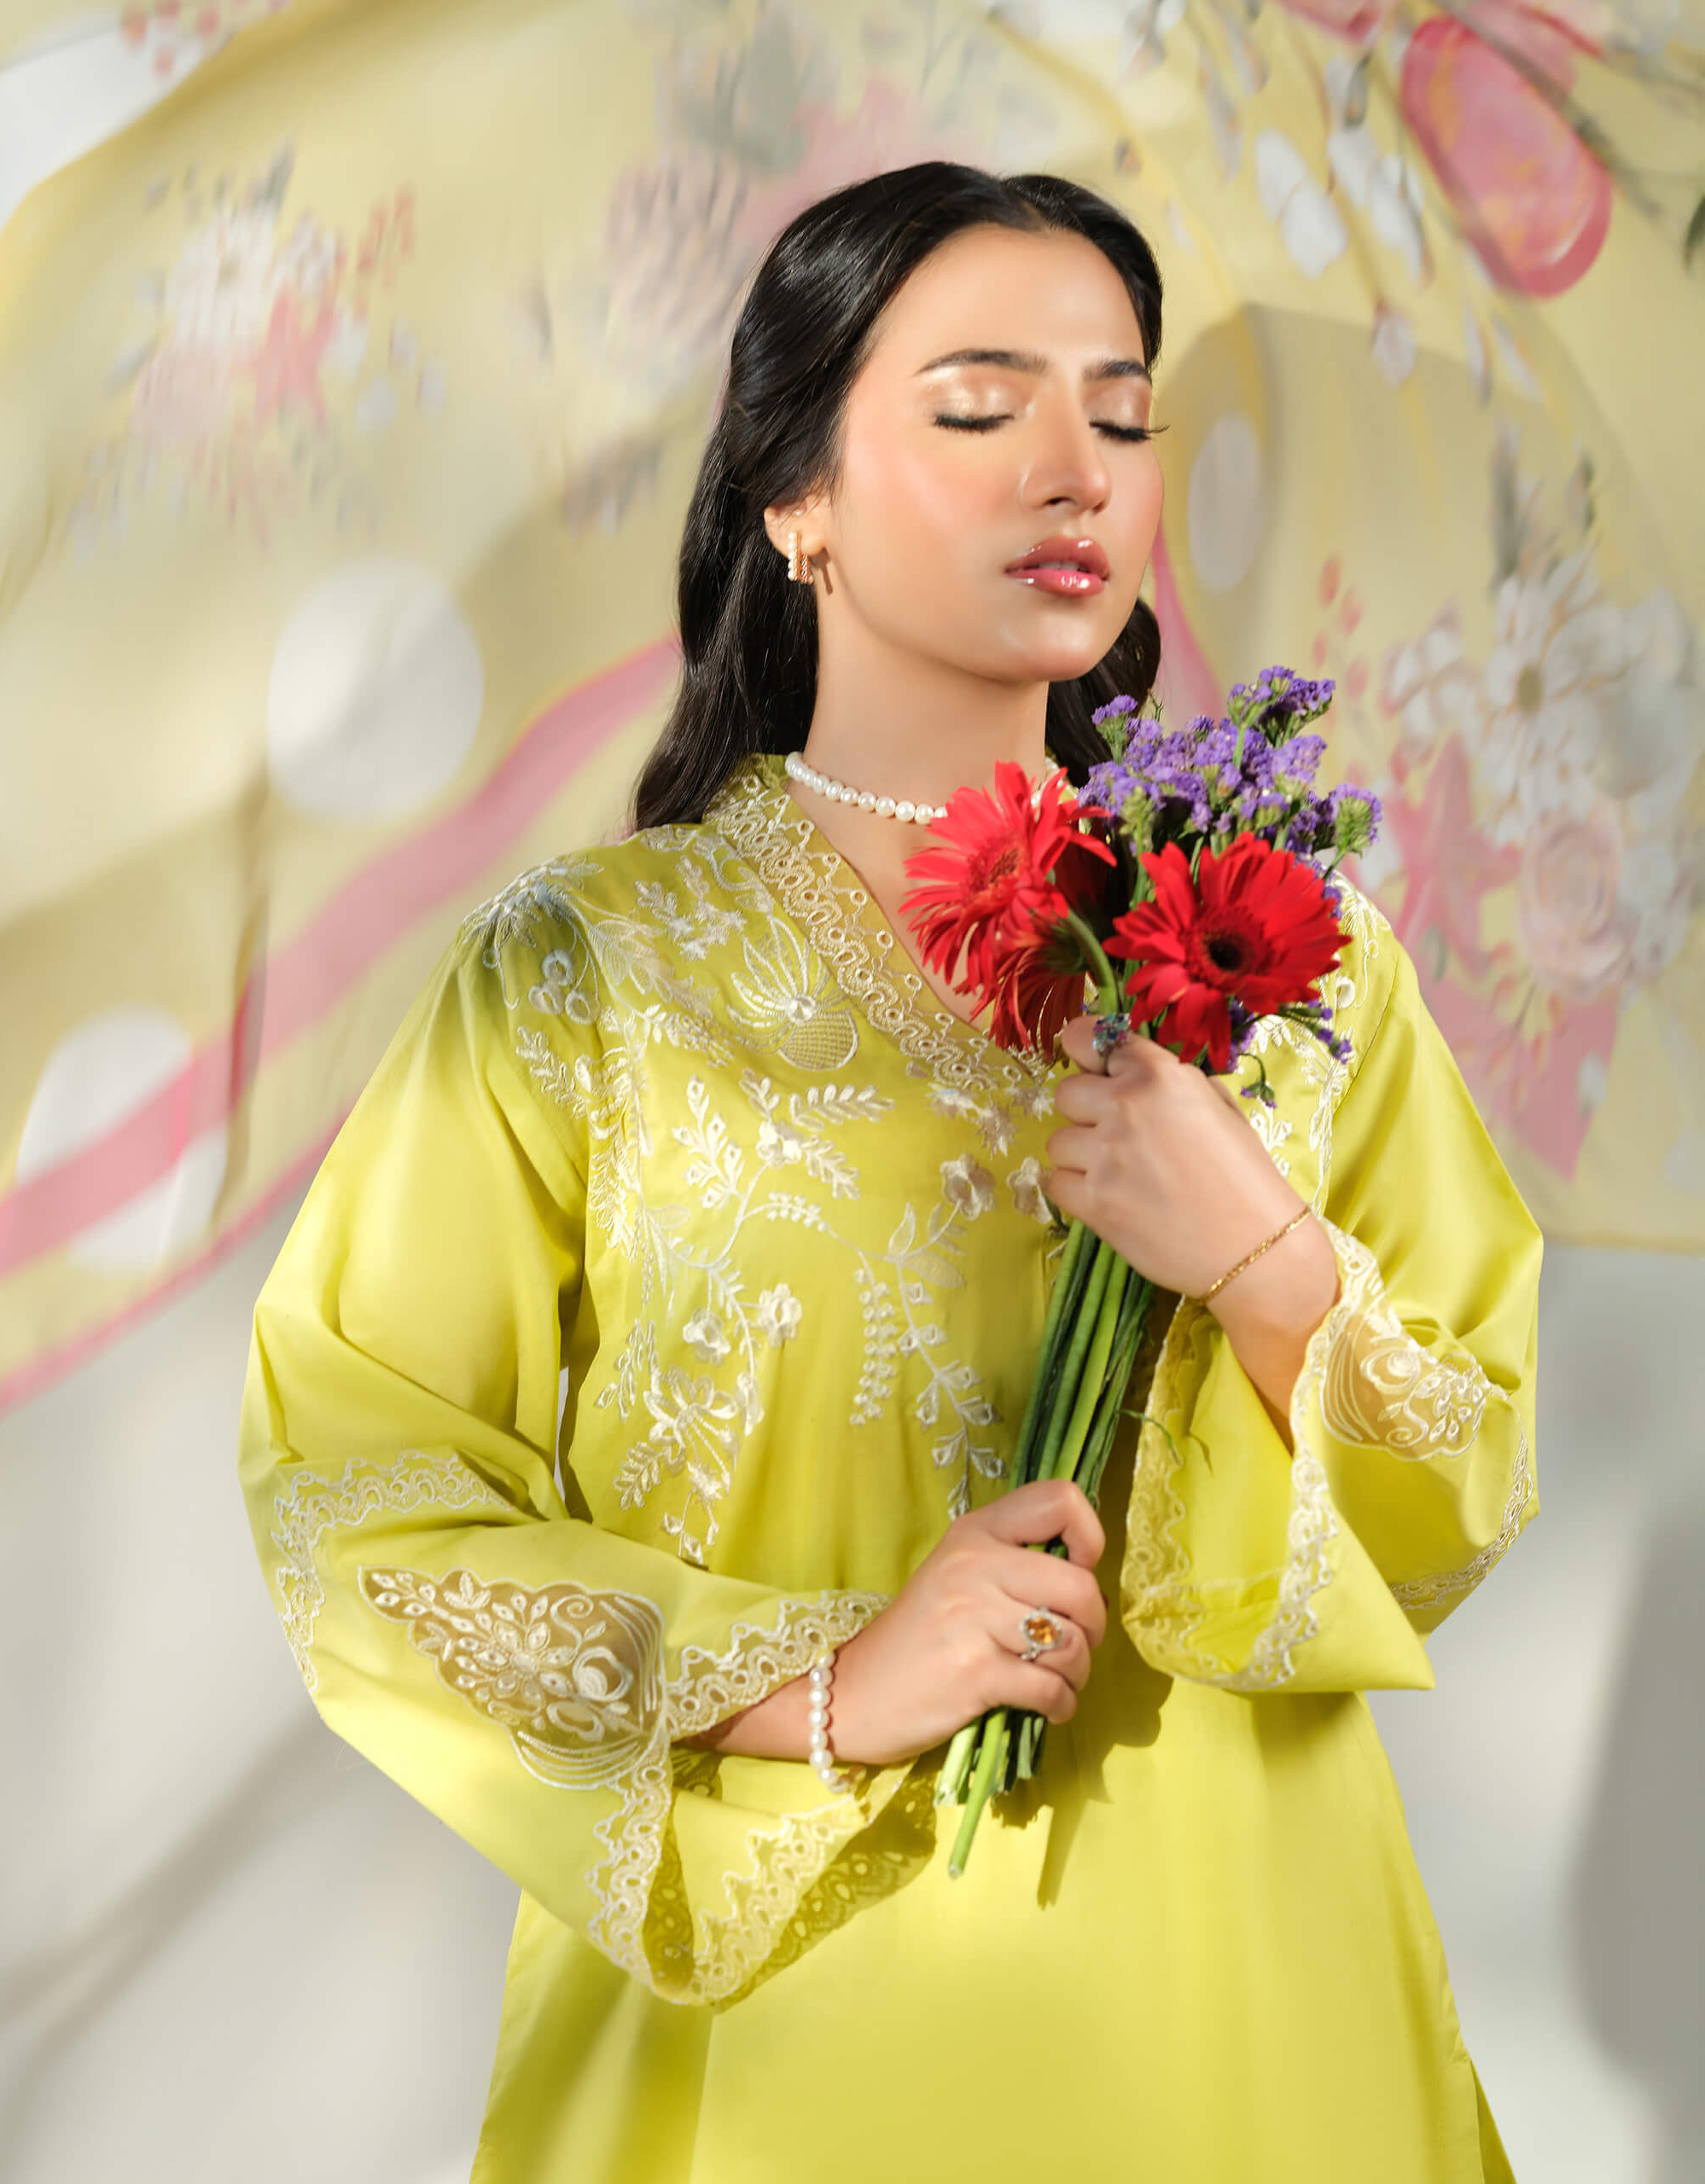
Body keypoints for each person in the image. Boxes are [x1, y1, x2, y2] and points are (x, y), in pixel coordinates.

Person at [237, 162, 1540, 2183]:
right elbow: (359, 1498)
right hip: (789, 2030)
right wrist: (819, 1676)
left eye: (1117, 414)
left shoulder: (1286, 947)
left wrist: (1265, 1258)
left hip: (1247, 2005)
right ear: (796, 495)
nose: (1073, 470)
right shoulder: (583, 979)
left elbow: (1462, 1480)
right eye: (977, 407)